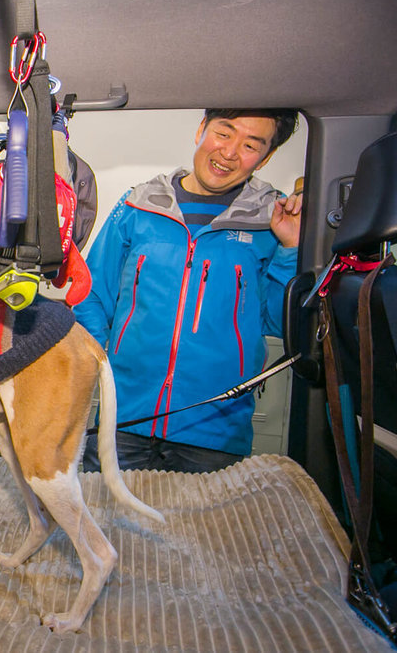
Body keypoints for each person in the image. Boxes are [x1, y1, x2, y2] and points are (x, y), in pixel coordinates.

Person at [74, 108, 303, 473]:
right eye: (224, 133)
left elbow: (277, 322)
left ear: (267, 156)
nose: (229, 152)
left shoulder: (270, 223)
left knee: (200, 530)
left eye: (250, 144)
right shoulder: (137, 205)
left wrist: (291, 249)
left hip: (215, 431)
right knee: (105, 523)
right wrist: (102, 367)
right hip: (122, 421)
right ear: (202, 129)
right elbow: (91, 293)